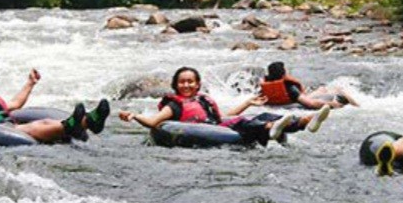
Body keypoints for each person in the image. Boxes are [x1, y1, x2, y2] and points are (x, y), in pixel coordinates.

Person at [118, 66, 331, 145]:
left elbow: (223, 115)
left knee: (264, 114)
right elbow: (154, 122)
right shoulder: (174, 105)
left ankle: (305, 122)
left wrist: (247, 102)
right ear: (175, 85)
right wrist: (134, 116)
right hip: (204, 132)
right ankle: (272, 129)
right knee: (249, 126)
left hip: (218, 126)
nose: (186, 85)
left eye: (190, 81)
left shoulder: (202, 100)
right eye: (182, 82)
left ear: (198, 84)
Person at [259, 61, 359, 109]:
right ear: (283, 74)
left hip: (287, 103)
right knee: (338, 90)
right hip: (297, 104)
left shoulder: (264, 86)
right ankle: (358, 107)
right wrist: (333, 105)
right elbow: (311, 104)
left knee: (322, 89)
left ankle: (322, 90)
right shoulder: (290, 87)